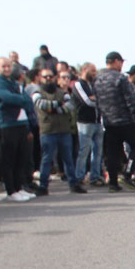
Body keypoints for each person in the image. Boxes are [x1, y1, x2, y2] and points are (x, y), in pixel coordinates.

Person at [93, 51, 135, 191]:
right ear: (115, 61)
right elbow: (130, 98)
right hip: (124, 119)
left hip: (108, 121)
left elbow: (97, 101)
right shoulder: (120, 78)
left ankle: (113, 183)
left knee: (112, 152)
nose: (121, 65)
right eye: (121, 62)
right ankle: (127, 174)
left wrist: (100, 117)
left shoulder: (97, 79)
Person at [0, 58, 38, 201]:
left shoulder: (13, 82)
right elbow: (9, 98)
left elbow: (27, 100)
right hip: (7, 124)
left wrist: (21, 98)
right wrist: (21, 99)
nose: (6, 69)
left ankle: (19, 187)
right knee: (9, 159)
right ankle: (11, 190)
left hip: (21, 124)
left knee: (20, 158)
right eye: (3, 66)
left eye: (8, 66)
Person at [31, 68, 83, 196]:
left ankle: (73, 184)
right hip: (47, 131)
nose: (48, 79)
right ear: (40, 78)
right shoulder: (37, 93)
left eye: (50, 76)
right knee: (46, 160)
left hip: (64, 131)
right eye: (45, 76)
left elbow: (70, 106)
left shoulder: (63, 92)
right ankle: (43, 186)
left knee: (69, 159)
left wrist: (53, 108)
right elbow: (42, 105)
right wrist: (59, 105)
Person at [70, 63, 103, 185]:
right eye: (93, 70)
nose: (95, 73)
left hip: (97, 121)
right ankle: (79, 176)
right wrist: (99, 102)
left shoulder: (93, 84)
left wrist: (97, 99)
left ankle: (95, 176)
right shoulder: (78, 84)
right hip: (84, 122)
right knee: (84, 151)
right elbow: (87, 101)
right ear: (84, 70)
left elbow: (99, 97)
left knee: (98, 152)